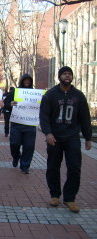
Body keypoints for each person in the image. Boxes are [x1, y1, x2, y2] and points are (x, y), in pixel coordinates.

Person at [39, 66, 92, 213]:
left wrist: (88, 137)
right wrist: (48, 133)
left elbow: (85, 118)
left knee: (74, 168)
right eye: (64, 74)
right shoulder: (50, 95)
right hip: (54, 137)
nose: (67, 76)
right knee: (53, 167)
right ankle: (55, 195)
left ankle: (70, 198)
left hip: (72, 137)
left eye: (69, 74)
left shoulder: (79, 96)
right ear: (59, 77)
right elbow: (44, 116)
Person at [3, 74, 36, 174]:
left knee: (29, 146)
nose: (27, 82)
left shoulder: (35, 93)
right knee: (14, 144)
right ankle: (16, 156)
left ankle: (25, 166)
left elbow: (41, 106)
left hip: (30, 124)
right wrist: (10, 104)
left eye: (28, 80)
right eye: (25, 80)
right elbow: (5, 103)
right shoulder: (15, 92)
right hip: (17, 124)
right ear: (21, 81)